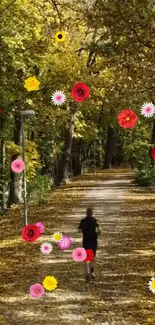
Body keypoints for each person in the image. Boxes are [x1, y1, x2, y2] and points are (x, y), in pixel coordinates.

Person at [78, 207, 100, 282]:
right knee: (90, 258)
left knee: (89, 258)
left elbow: (79, 229)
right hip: (91, 241)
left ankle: (88, 273)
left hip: (88, 241)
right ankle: (90, 273)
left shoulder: (85, 221)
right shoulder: (94, 221)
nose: (90, 214)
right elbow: (99, 231)